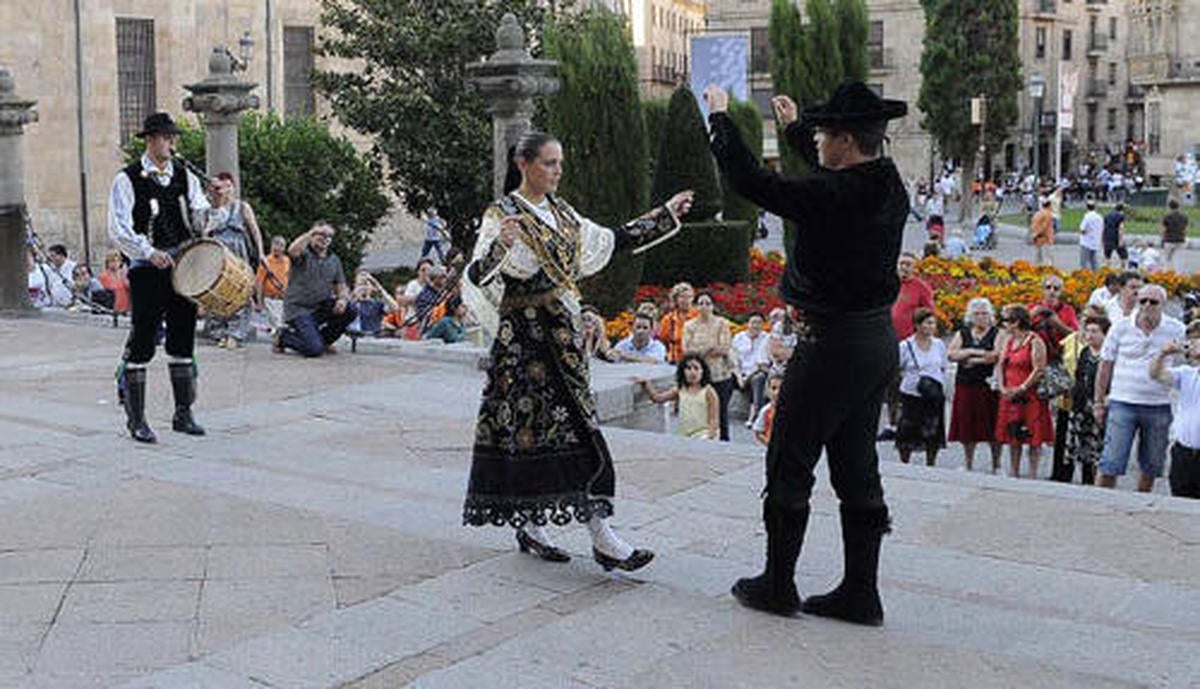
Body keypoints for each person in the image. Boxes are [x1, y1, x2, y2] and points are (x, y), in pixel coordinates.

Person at [707, 81, 908, 624]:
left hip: (832, 345)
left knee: (789, 460)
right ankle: (861, 593)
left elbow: (753, 182)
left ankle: (777, 583)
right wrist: (797, 129)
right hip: (874, 344)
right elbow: (830, 176)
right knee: (856, 465)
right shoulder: (887, 183)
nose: (816, 142)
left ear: (843, 139)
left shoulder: (836, 196)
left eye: (822, 134)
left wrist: (721, 120)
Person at [460, 129, 693, 572]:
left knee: (574, 428)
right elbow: (477, 275)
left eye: (559, 163)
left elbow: (611, 239)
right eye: (549, 163)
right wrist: (500, 248)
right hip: (525, 341)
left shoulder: (563, 214)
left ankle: (590, 532)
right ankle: (576, 531)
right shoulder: (502, 215)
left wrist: (665, 215)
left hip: (564, 339)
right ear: (523, 164)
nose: (557, 171)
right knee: (536, 431)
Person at [106, 112, 210, 443]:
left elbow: (198, 218)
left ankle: (183, 413)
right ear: (150, 140)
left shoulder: (184, 175)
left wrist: (214, 204)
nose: (171, 143)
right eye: (166, 137)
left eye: (172, 137)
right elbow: (119, 229)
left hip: (182, 267)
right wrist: (149, 251)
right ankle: (136, 419)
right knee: (143, 340)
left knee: (183, 337)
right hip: (148, 270)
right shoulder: (127, 179)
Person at [1094, 284, 1183, 492]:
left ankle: (1141, 503)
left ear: (1163, 305)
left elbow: (1184, 366)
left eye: (1153, 302)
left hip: (1158, 404)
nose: (1147, 306)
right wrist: (1098, 401)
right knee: (1111, 461)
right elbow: (1105, 365)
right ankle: (1099, 501)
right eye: (1142, 300)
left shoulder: (1176, 328)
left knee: (1151, 465)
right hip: (1122, 402)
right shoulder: (1121, 327)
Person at [274, 222, 357, 357]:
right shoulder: (303, 254)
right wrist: (311, 232)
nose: (325, 238)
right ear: (312, 236)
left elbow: (341, 285)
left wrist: (342, 299)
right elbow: (292, 250)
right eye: (321, 234)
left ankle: (324, 340)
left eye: (329, 236)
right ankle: (283, 337)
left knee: (351, 309)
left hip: (320, 307)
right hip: (298, 309)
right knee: (314, 350)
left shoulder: (334, 260)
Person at [202, 172, 264, 348]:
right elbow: (204, 235)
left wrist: (260, 252)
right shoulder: (209, 210)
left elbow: (254, 230)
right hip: (217, 252)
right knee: (218, 291)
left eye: (228, 186)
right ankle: (220, 332)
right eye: (221, 186)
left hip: (237, 251)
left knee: (240, 290)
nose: (225, 190)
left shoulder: (242, 207)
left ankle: (236, 334)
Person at [995, 304, 1053, 478]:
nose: (1004, 324)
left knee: (1032, 434)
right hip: (1010, 392)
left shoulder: (1035, 340)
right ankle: (1014, 471)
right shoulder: (1009, 340)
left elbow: (1039, 368)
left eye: (1006, 321)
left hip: (1029, 394)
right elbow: (1000, 364)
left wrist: (1022, 388)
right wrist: (1001, 386)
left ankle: (1033, 473)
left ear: (1016, 322)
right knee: (1013, 434)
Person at [882, 252, 934, 440]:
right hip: (887, 341)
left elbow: (928, 314)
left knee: (911, 384)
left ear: (914, 267)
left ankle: (913, 424)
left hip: (911, 343)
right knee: (891, 385)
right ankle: (892, 424)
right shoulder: (888, 283)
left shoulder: (921, 288)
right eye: (902, 264)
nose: (904, 268)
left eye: (908, 264)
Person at [947, 297, 1001, 472]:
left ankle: (997, 464)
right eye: (977, 314)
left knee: (993, 425)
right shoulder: (963, 333)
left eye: (984, 313)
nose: (981, 317)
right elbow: (952, 354)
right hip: (966, 384)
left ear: (990, 315)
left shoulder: (996, 332)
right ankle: (968, 463)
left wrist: (972, 359)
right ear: (971, 316)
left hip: (988, 385)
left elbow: (996, 355)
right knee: (967, 425)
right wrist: (973, 351)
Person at [1151, 320, 1200, 498]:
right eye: (1192, 341)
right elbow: (1155, 374)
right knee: (1180, 502)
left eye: (1197, 340)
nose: (1193, 345)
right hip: (1184, 454)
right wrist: (1163, 353)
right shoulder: (1186, 373)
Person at [895, 308, 947, 466]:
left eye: (933, 323)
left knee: (933, 428)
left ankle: (931, 462)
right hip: (912, 394)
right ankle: (905, 462)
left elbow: (943, 366)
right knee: (908, 429)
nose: (931, 327)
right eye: (928, 323)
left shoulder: (939, 344)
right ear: (917, 325)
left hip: (934, 393)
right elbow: (897, 367)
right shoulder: (905, 345)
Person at [1065, 313, 1111, 486]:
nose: (1089, 335)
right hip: (1081, 406)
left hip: (1100, 405)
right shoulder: (1085, 351)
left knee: (1098, 444)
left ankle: (1099, 481)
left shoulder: (1108, 355)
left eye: (1095, 331)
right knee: (1082, 444)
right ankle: (1085, 478)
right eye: (1088, 331)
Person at [683, 291, 735, 441]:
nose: (704, 307)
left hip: (720, 374)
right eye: (700, 303)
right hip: (697, 376)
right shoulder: (689, 325)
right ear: (695, 306)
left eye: (708, 303)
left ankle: (723, 442)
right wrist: (709, 349)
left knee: (721, 412)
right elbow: (687, 351)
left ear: (713, 306)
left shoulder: (722, 323)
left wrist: (700, 351)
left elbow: (724, 348)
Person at [639, 354, 720, 440]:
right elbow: (658, 398)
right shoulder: (680, 389)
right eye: (688, 368)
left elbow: (713, 420)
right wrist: (647, 384)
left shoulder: (708, 391)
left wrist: (709, 436)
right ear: (683, 371)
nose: (692, 372)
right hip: (685, 435)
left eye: (696, 368)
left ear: (703, 371)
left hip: (703, 434)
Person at [731, 312, 771, 426]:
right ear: (747, 324)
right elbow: (734, 361)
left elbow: (762, 364)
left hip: (755, 372)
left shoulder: (767, 339)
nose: (756, 326)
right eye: (753, 322)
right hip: (739, 373)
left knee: (759, 378)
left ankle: (756, 416)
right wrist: (739, 377)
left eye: (759, 323)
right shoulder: (739, 337)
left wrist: (747, 378)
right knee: (725, 377)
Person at [255, 236, 291, 333]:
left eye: (281, 245)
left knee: (281, 324)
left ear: (284, 248)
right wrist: (259, 302)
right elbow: (259, 282)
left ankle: (278, 342)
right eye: (276, 244)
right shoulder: (266, 262)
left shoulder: (287, 261)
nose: (278, 248)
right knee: (278, 324)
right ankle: (279, 342)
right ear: (271, 246)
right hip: (270, 299)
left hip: (284, 299)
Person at [348, 271, 399, 338]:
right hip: (352, 339)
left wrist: (379, 288)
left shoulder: (376, 303)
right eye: (360, 284)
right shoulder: (351, 303)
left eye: (366, 284)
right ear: (355, 286)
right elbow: (342, 310)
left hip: (372, 339)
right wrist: (354, 295)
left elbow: (395, 308)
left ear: (371, 287)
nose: (363, 287)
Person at [658, 282, 696, 364]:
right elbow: (662, 342)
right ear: (676, 299)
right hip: (674, 361)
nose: (686, 300)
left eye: (688, 297)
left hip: (695, 362)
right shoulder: (668, 320)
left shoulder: (699, 317)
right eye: (682, 297)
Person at [753, 373, 785, 446]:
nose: (777, 392)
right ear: (768, 391)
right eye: (774, 388)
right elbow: (757, 431)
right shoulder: (766, 410)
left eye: (781, 389)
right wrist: (768, 442)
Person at [98, 250, 131, 314]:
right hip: (112, 310)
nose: (115, 263)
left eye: (118, 261)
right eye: (112, 261)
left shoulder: (125, 274)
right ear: (108, 263)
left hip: (126, 309)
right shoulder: (104, 276)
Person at [1161, 199, 1189, 270]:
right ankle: (1178, 274)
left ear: (1170, 207)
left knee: (1167, 258)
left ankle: (1167, 273)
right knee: (1178, 258)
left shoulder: (1167, 216)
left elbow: (1164, 229)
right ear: (1178, 206)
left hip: (1169, 239)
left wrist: (1162, 238)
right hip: (1180, 239)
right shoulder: (1184, 216)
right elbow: (1185, 229)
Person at [1078, 198, 1104, 271]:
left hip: (1086, 242)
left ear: (1086, 207)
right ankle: (1096, 275)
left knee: (1084, 262)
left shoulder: (1087, 217)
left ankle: (1086, 276)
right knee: (1093, 261)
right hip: (1095, 241)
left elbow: (1082, 229)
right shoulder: (1099, 217)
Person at [1030, 197, 1055, 266]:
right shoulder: (1048, 214)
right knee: (1048, 255)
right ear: (1049, 205)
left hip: (1038, 236)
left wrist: (1034, 234)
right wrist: (1038, 234)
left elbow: (1033, 224)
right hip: (1045, 237)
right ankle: (1047, 268)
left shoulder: (1037, 213)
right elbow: (1045, 226)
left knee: (1038, 254)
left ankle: (1038, 267)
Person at [1103, 202, 1128, 268]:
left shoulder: (1107, 215)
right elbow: (1121, 228)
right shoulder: (1120, 216)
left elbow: (1104, 227)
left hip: (1107, 237)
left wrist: (1102, 239)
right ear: (1122, 210)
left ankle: (1106, 271)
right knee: (1123, 255)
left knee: (1107, 256)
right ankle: (1122, 270)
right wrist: (1121, 240)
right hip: (1116, 237)